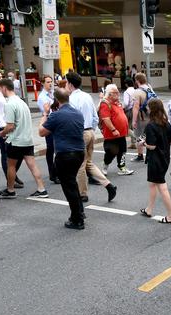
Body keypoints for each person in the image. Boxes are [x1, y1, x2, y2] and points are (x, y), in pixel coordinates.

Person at [38, 88, 86, 229]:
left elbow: (41, 132)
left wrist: (45, 113)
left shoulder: (56, 115)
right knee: (72, 183)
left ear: (57, 101)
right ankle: (80, 212)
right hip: (79, 152)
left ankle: (77, 219)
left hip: (65, 154)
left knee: (68, 186)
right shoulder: (78, 113)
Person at [67, 72, 117, 203]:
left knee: (80, 165)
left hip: (80, 133)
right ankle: (108, 185)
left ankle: (83, 193)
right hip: (89, 131)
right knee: (88, 162)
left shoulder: (71, 99)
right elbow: (96, 115)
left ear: (70, 84)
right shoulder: (87, 96)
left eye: (67, 83)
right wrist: (91, 129)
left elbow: (72, 119)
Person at [0, 78, 48, 199]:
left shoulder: (9, 104)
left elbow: (10, 126)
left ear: (4, 88)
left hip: (15, 140)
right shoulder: (22, 102)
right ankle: (42, 188)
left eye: (1, 89)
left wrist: (2, 133)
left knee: (11, 165)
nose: (1, 92)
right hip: (27, 139)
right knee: (32, 164)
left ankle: (10, 190)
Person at [140, 98, 171, 223]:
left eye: (148, 107)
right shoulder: (166, 123)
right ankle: (149, 209)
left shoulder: (150, 126)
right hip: (164, 157)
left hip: (155, 159)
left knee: (162, 187)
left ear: (152, 109)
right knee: (152, 184)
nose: (147, 109)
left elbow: (152, 146)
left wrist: (143, 144)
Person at [0, 68, 23, 188]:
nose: (0, 79)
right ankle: (10, 179)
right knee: (5, 152)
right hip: (0, 126)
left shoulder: (3, 90)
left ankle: (13, 175)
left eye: (1, 76)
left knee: (15, 151)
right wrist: (4, 128)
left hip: (9, 124)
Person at [99, 84, 133, 176]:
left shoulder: (117, 102)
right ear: (109, 94)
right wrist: (113, 129)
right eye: (115, 92)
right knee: (111, 151)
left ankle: (122, 167)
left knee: (122, 151)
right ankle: (105, 165)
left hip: (121, 133)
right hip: (111, 134)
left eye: (118, 91)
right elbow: (106, 119)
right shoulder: (105, 104)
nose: (118, 93)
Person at [37, 75, 59, 184]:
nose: (50, 84)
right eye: (48, 82)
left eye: (51, 81)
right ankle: (53, 173)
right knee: (51, 148)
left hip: (55, 122)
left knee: (53, 148)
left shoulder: (52, 94)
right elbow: (47, 110)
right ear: (43, 83)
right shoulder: (42, 96)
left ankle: (54, 172)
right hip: (49, 123)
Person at [131, 73, 155, 162]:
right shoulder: (149, 88)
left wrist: (133, 121)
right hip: (151, 116)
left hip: (142, 117)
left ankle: (140, 155)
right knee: (149, 135)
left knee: (139, 136)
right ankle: (150, 155)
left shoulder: (137, 92)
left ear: (137, 81)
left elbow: (136, 107)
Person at [122, 79, 136, 148]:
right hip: (135, 110)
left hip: (129, 111)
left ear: (127, 84)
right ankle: (133, 144)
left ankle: (135, 137)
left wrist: (123, 108)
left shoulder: (126, 92)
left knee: (125, 127)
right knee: (132, 126)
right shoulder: (135, 91)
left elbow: (126, 103)